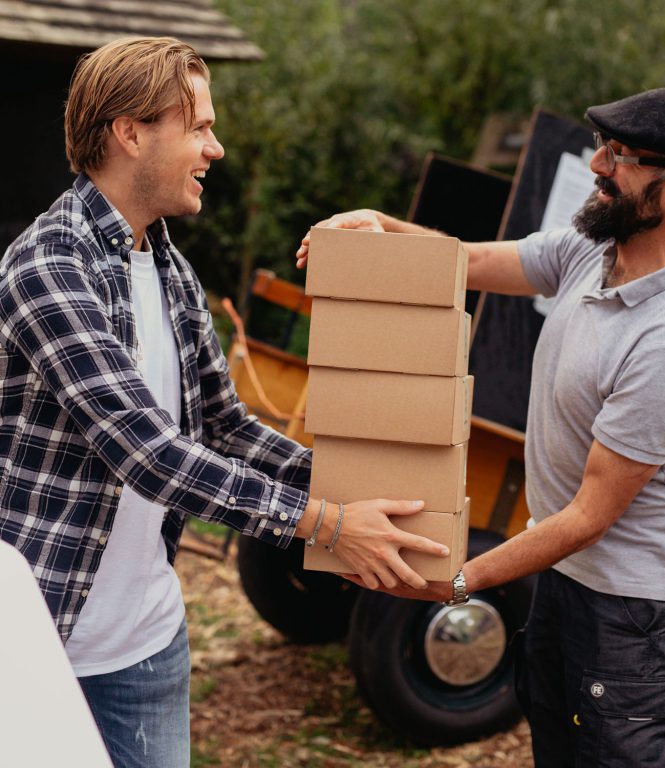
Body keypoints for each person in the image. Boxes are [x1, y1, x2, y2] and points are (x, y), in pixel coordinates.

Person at [0, 36, 448, 768]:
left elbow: (222, 425)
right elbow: (149, 453)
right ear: (131, 131)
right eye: (200, 126)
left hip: (146, 643)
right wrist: (329, 524)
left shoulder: (167, 263)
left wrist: (359, 487)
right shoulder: (46, 267)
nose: (217, 147)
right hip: (39, 641)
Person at [297, 88, 665, 767]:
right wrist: (379, 227)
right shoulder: (596, 251)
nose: (598, 164)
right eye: (604, 146)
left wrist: (457, 580)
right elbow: (468, 264)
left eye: (622, 155)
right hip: (565, 572)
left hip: (635, 613)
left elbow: (592, 513)